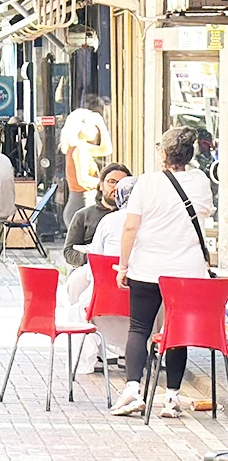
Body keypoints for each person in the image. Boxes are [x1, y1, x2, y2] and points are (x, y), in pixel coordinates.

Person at [112, 127, 214, 418]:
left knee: (139, 328)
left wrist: (123, 265)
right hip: (186, 272)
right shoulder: (200, 181)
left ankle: (133, 390)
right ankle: (171, 398)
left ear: (164, 153)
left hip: (148, 268)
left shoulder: (147, 182)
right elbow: (205, 212)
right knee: (177, 330)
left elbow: (130, 226)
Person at [69, 176, 138, 374]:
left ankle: (96, 356)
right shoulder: (155, 222)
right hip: (142, 307)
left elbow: (95, 263)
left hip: (104, 305)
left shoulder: (108, 221)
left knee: (78, 290)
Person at [63, 163, 131, 268]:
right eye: (112, 182)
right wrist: (91, 258)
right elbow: (69, 252)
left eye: (122, 183)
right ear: (101, 185)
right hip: (89, 269)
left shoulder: (133, 217)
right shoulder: (83, 215)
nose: (117, 187)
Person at [61, 108, 113, 227]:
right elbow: (83, 180)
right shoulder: (80, 149)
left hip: (79, 203)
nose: (96, 130)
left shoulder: (78, 147)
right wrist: (107, 183)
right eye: (93, 126)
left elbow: (106, 150)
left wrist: (102, 126)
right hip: (83, 203)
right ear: (82, 127)